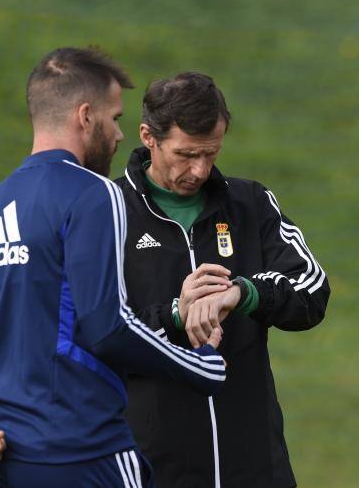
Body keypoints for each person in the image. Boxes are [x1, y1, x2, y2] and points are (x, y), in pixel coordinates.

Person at [0, 49, 226, 487]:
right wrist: (201, 366)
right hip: (85, 455)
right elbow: (108, 325)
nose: (120, 135)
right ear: (85, 116)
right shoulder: (94, 193)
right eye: (115, 118)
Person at [115, 72, 330, 488]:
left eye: (211, 153)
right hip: (152, 469)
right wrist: (174, 315)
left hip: (254, 467)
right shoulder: (108, 212)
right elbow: (91, 333)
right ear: (148, 137)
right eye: (185, 154)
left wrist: (244, 293)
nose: (199, 170)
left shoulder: (250, 203)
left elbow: (312, 288)